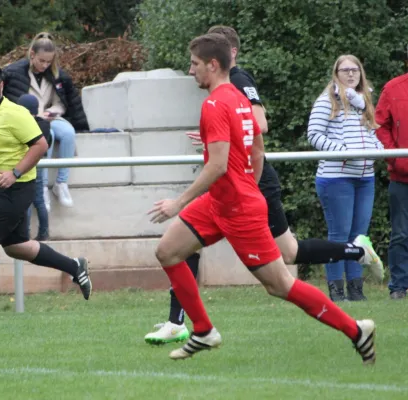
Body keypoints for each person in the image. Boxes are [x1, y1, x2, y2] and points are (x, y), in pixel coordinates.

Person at [144, 26, 383, 345]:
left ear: (218, 60)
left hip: (244, 191)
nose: (191, 70)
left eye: (195, 63)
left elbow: (256, 131)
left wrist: (230, 182)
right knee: (171, 249)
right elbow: (247, 142)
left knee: (285, 269)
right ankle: (191, 325)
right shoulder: (228, 92)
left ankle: (355, 304)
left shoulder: (234, 87)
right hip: (229, 194)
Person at [0, 63, 91, 318]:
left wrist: (14, 173)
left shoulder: (15, 113)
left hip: (14, 186)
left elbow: (40, 145)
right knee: (15, 246)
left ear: (1, 85)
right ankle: (74, 267)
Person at [308, 55, 383, 301]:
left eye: (355, 70)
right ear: (336, 73)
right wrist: (343, 152)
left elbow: (371, 134)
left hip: (365, 178)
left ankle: (356, 291)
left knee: (360, 237)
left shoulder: (365, 103)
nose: (351, 74)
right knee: (339, 236)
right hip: (336, 178)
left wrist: (378, 149)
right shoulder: (326, 100)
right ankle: (336, 292)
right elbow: (314, 135)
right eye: (345, 70)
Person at [2, 32, 89, 210]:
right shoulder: (15, 72)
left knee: (68, 133)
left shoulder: (57, 75)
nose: (45, 65)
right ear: (32, 55)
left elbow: (61, 102)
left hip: (51, 116)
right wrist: (35, 115)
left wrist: (52, 111)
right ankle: (41, 187)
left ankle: (61, 183)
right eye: (42, 61)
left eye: (49, 62)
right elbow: (11, 101)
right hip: (30, 119)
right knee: (45, 137)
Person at [375, 71, 408, 300]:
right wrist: (395, 158)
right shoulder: (393, 88)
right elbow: (380, 125)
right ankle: (398, 286)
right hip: (401, 177)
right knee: (401, 234)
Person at [17, 94, 53, 241]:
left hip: (28, 164)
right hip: (40, 163)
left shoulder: (26, 124)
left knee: (26, 201)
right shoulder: (44, 124)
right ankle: (44, 232)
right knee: (39, 200)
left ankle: (25, 233)